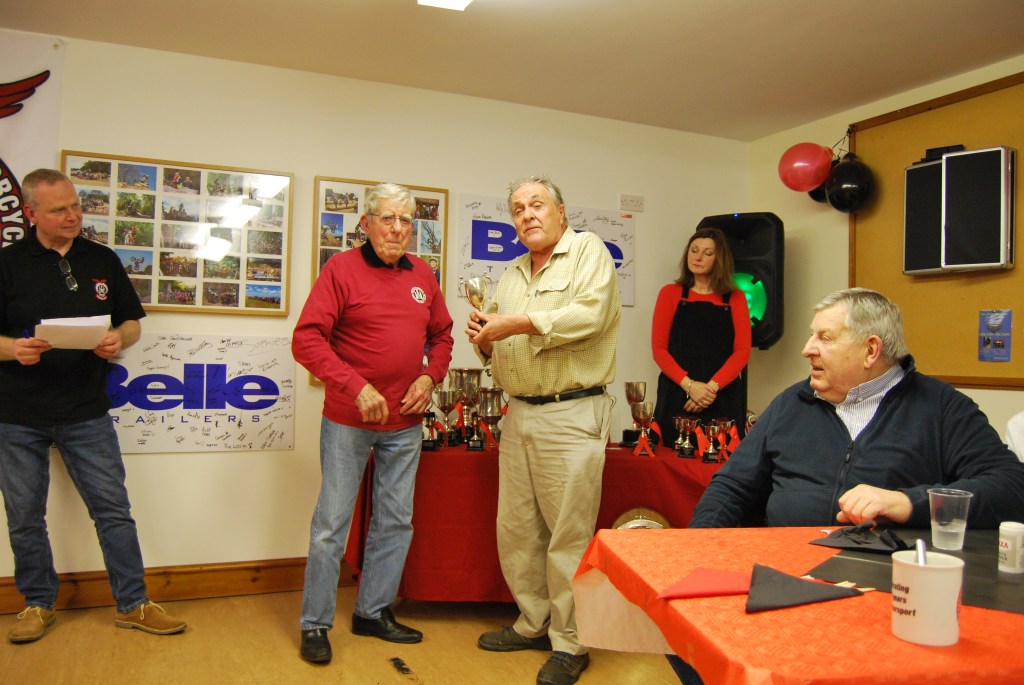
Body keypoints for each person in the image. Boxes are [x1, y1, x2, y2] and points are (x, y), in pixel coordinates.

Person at [0, 169, 186, 644]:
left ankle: (133, 604)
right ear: (30, 213)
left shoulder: (102, 258)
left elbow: (131, 323)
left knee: (113, 511)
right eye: (59, 209)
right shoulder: (7, 263)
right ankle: (37, 604)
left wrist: (117, 339)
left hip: (86, 410)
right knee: (25, 517)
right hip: (16, 415)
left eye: (76, 205)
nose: (73, 216)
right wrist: (11, 349)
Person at [691, 287, 1024, 529]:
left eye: (825, 338)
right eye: (812, 336)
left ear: (871, 350)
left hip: (886, 579)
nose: (807, 349)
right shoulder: (790, 404)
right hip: (783, 572)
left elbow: (1011, 488)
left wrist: (908, 502)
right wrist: (696, 550)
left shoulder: (941, 407)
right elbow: (731, 487)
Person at [467, 175, 621, 685]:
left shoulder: (588, 251)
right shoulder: (511, 272)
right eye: (518, 209)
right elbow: (497, 342)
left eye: (537, 204)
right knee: (517, 529)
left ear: (560, 211)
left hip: (571, 412)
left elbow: (588, 316)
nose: (527, 214)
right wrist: (484, 339)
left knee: (568, 536)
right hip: (519, 412)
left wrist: (515, 323)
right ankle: (533, 622)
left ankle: (571, 642)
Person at [292, 182, 454, 666]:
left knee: (395, 520)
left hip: (405, 423)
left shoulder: (422, 273)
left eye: (406, 220)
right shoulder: (341, 270)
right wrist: (355, 386)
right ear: (366, 224)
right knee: (331, 524)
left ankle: (373, 611)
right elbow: (306, 340)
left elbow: (443, 336)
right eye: (388, 218)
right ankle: (315, 623)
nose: (398, 229)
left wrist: (429, 377)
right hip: (349, 421)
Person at [652, 227, 751, 446]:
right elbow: (659, 349)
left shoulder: (736, 297)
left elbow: (742, 352)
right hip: (678, 394)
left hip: (722, 395)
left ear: (719, 259)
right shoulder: (670, 293)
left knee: (722, 458)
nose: (697, 257)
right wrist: (690, 387)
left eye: (707, 253)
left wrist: (709, 390)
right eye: (694, 250)